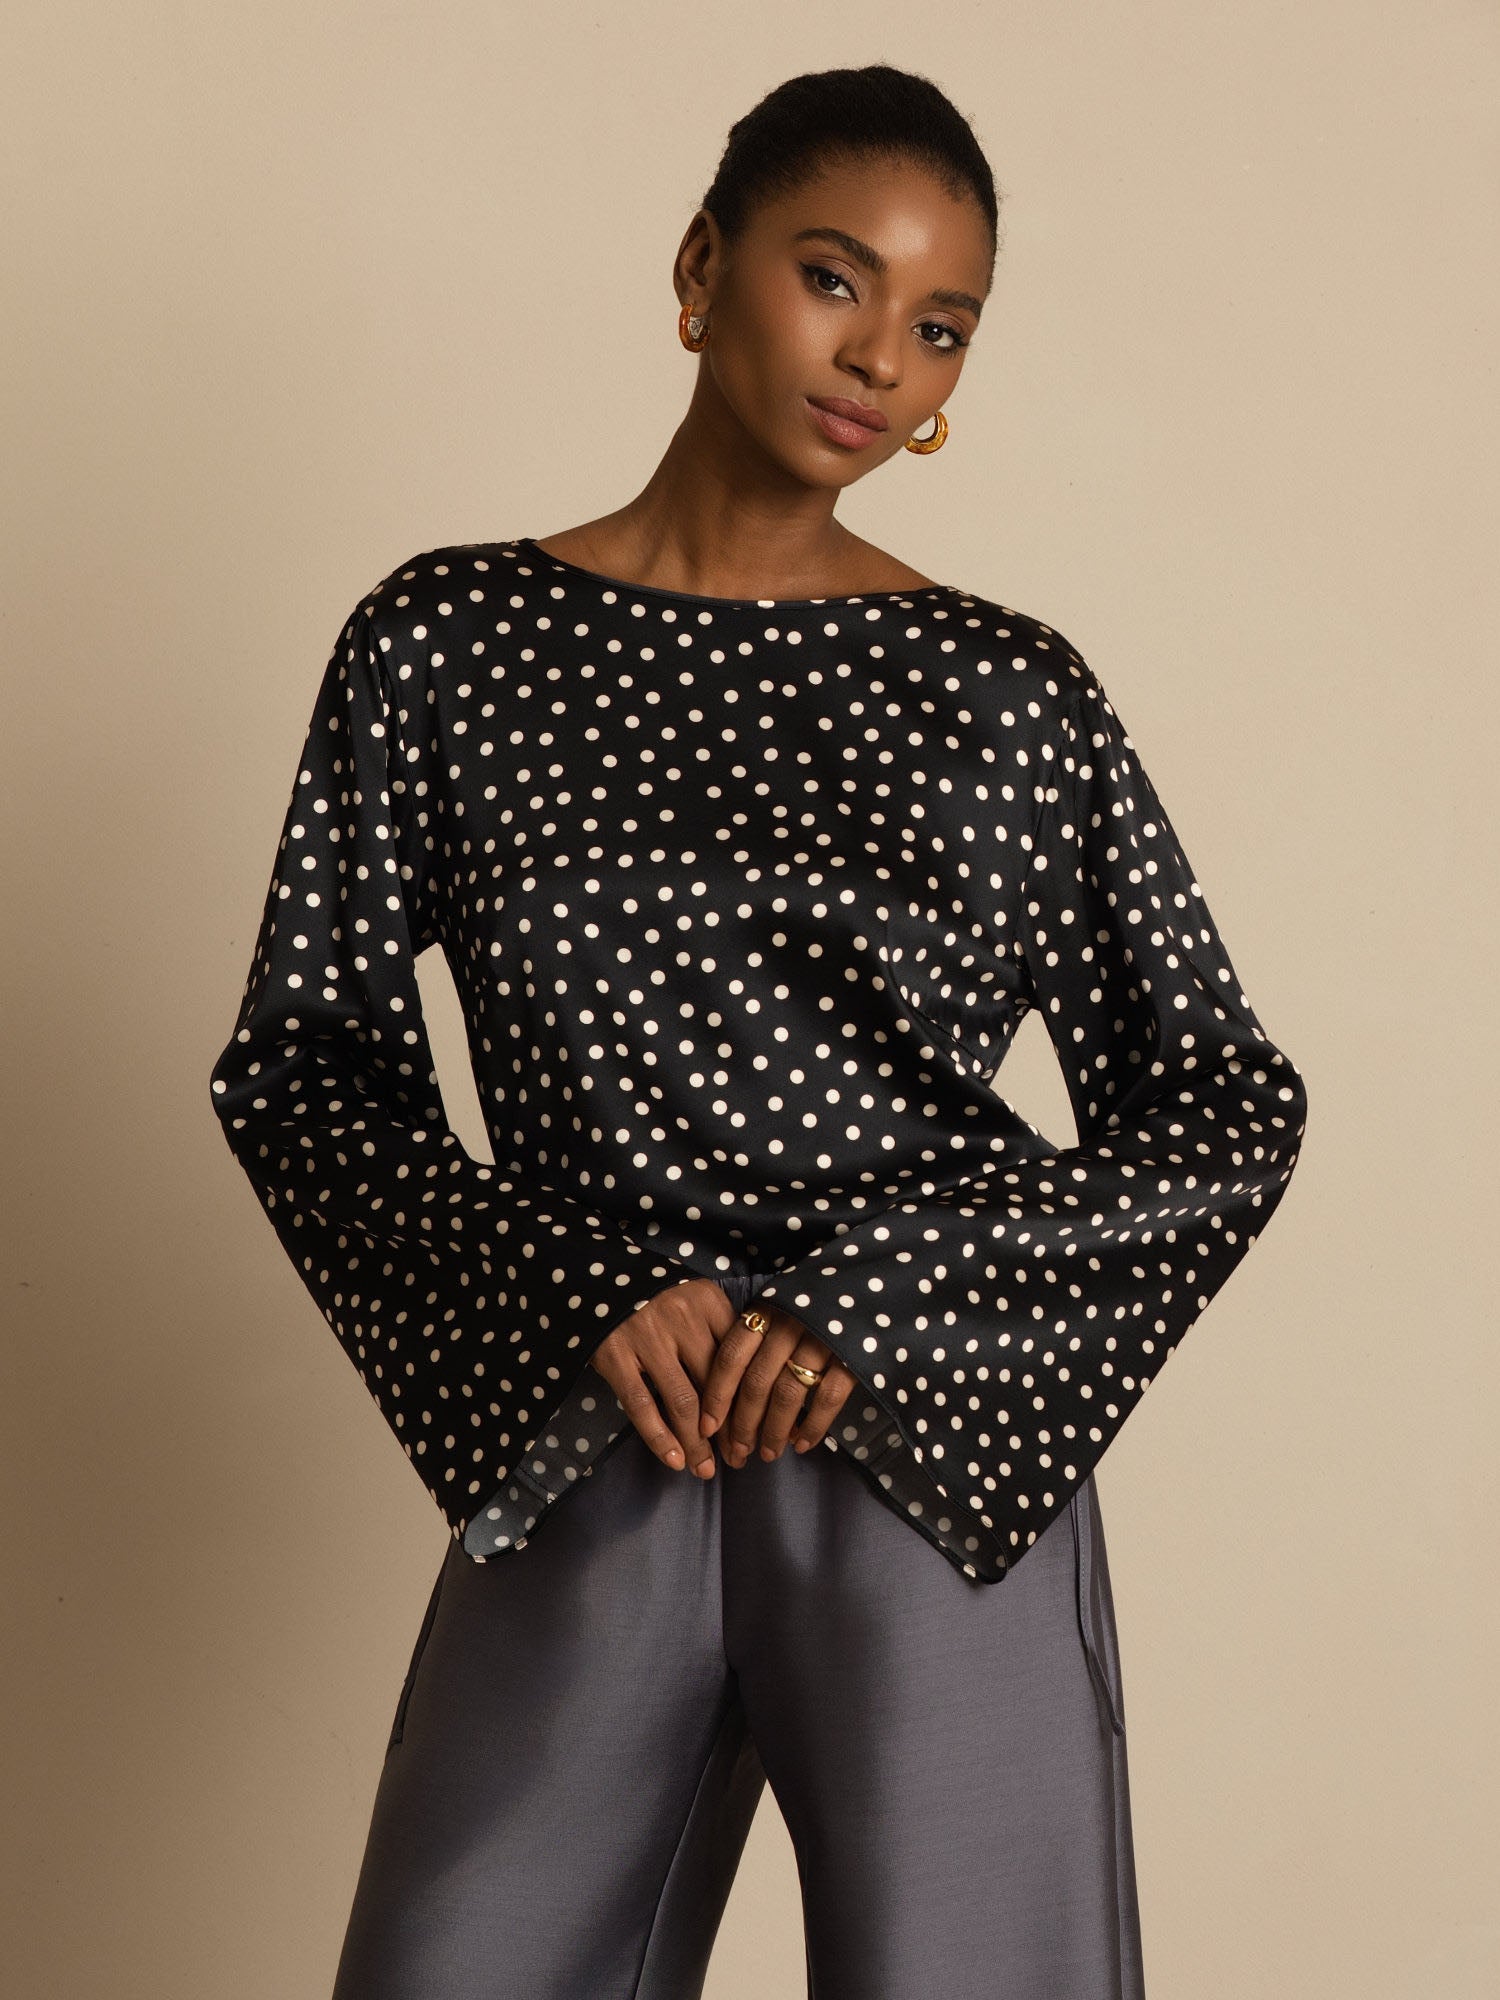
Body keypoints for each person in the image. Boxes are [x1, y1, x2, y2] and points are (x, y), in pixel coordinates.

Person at [208, 62, 1308, 2000]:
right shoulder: (446, 643)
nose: (881, 357)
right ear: (701, 268)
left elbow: (1222, 1102)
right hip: (590, 1422)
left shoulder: (1003, 692)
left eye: (941, 324)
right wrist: (569, 1284)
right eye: (834, 277)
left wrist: (883, 1300)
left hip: (922, 1440)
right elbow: (305, 1067)